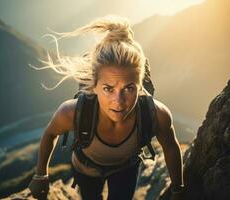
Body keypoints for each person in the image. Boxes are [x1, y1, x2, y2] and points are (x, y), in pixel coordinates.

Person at [28, 16, 184, 200]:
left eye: (129, 88)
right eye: (108, 89)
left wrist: (178, 189)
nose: (118, 101)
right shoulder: (72, 112)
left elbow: (171, 147)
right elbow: (50, 134)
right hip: (86, 170)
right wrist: (40, 175)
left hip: (125, 169)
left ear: (141, 86)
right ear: (93, 86)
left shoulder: (157, 114)